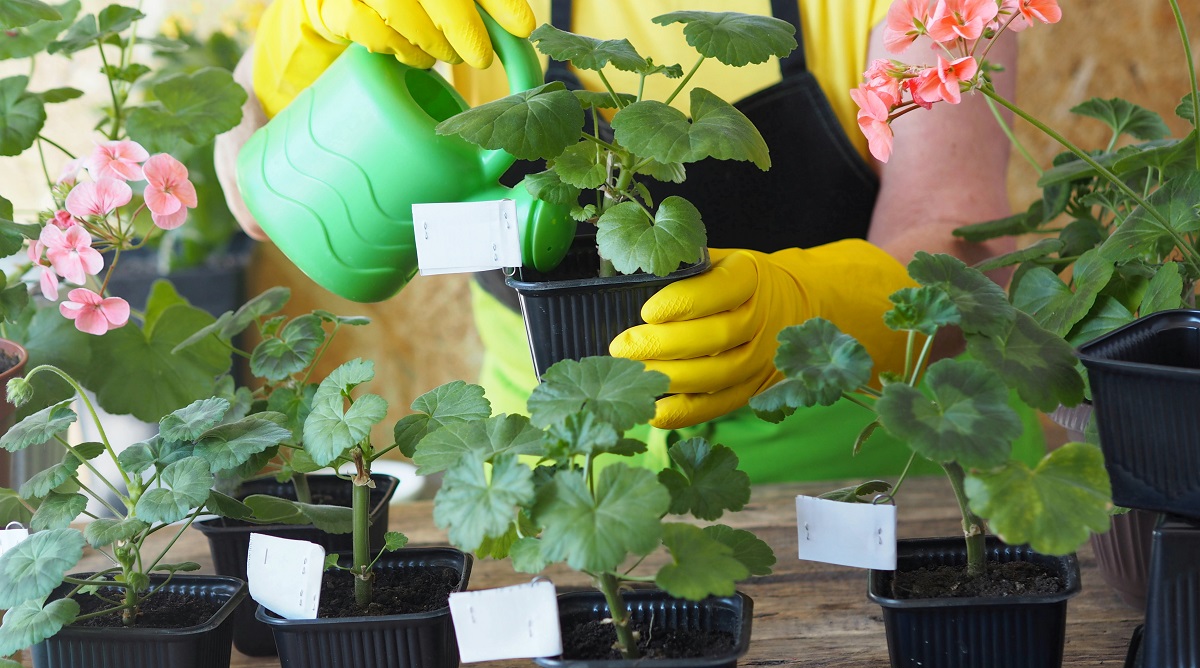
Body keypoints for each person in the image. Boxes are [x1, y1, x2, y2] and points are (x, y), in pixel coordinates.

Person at [217, 0, 1043, 483]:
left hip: (877, 478)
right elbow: (258, 187)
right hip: (559, 481)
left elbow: (961, 243)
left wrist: (813, 308)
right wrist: (303, 44)